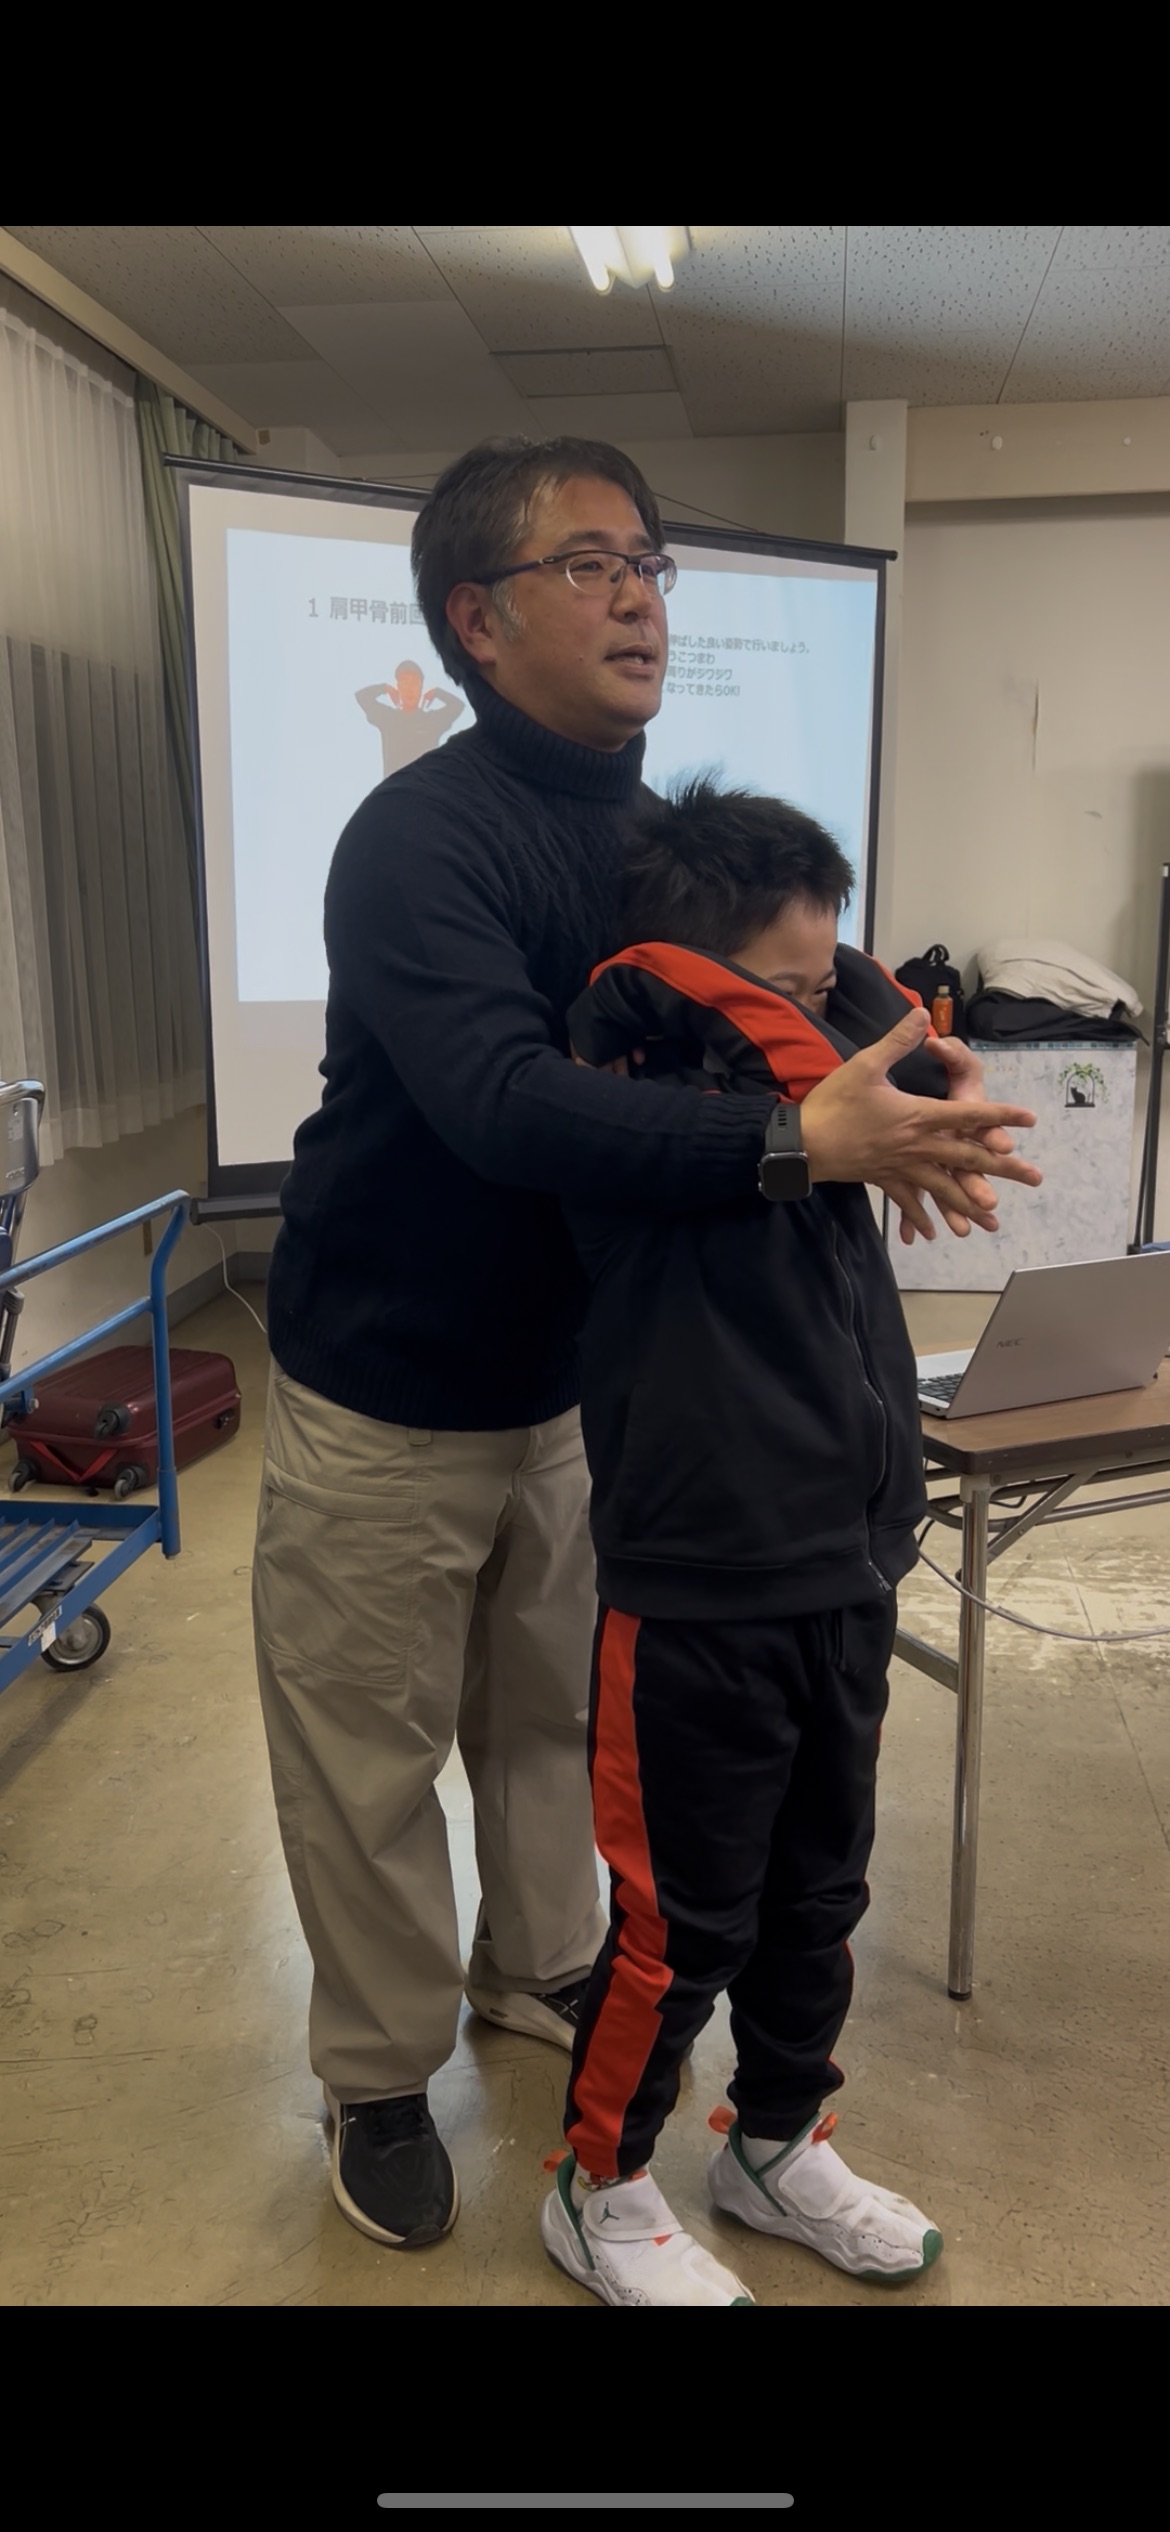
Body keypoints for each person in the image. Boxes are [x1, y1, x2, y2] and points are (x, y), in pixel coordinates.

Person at [251, 435, 1042, 2259]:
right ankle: (377, 2070)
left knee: (553, 1716)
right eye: (591, 564)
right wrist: (794, 1140)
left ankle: (534, 1963)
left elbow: (807, 976)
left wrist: (909, 1067)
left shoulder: (662, 835)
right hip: (389, 1374)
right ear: (476, 617)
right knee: (369, 1753)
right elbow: (502, 1100)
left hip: (587, 1381)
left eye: (651, 566)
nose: (640, 600)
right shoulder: (416, 840)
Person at [541, 778, 1011, 2307]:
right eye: (790, 988)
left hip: (840, 1569)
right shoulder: (634, 1084)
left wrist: (870, 1018)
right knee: (678, 1927)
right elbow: (680, 1000)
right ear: (702, 977)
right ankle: (599, 2187)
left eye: (828, 980)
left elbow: (862, 1020)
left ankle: (774, 2142)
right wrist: (847, 1054)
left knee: (818, 1897)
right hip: (696, 1595)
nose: (829, 1017)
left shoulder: (824, 1121)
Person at [354, 660, 463, 778]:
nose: (410, 688)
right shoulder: (388, 718)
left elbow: (457, 706)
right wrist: (384, 688)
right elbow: (362, 697)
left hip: (425, 786)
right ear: (398, 688)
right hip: (396, 786)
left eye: (414, 683)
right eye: (405, 682)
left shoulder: (431, 721)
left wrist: (438, 693)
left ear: (421, 688)